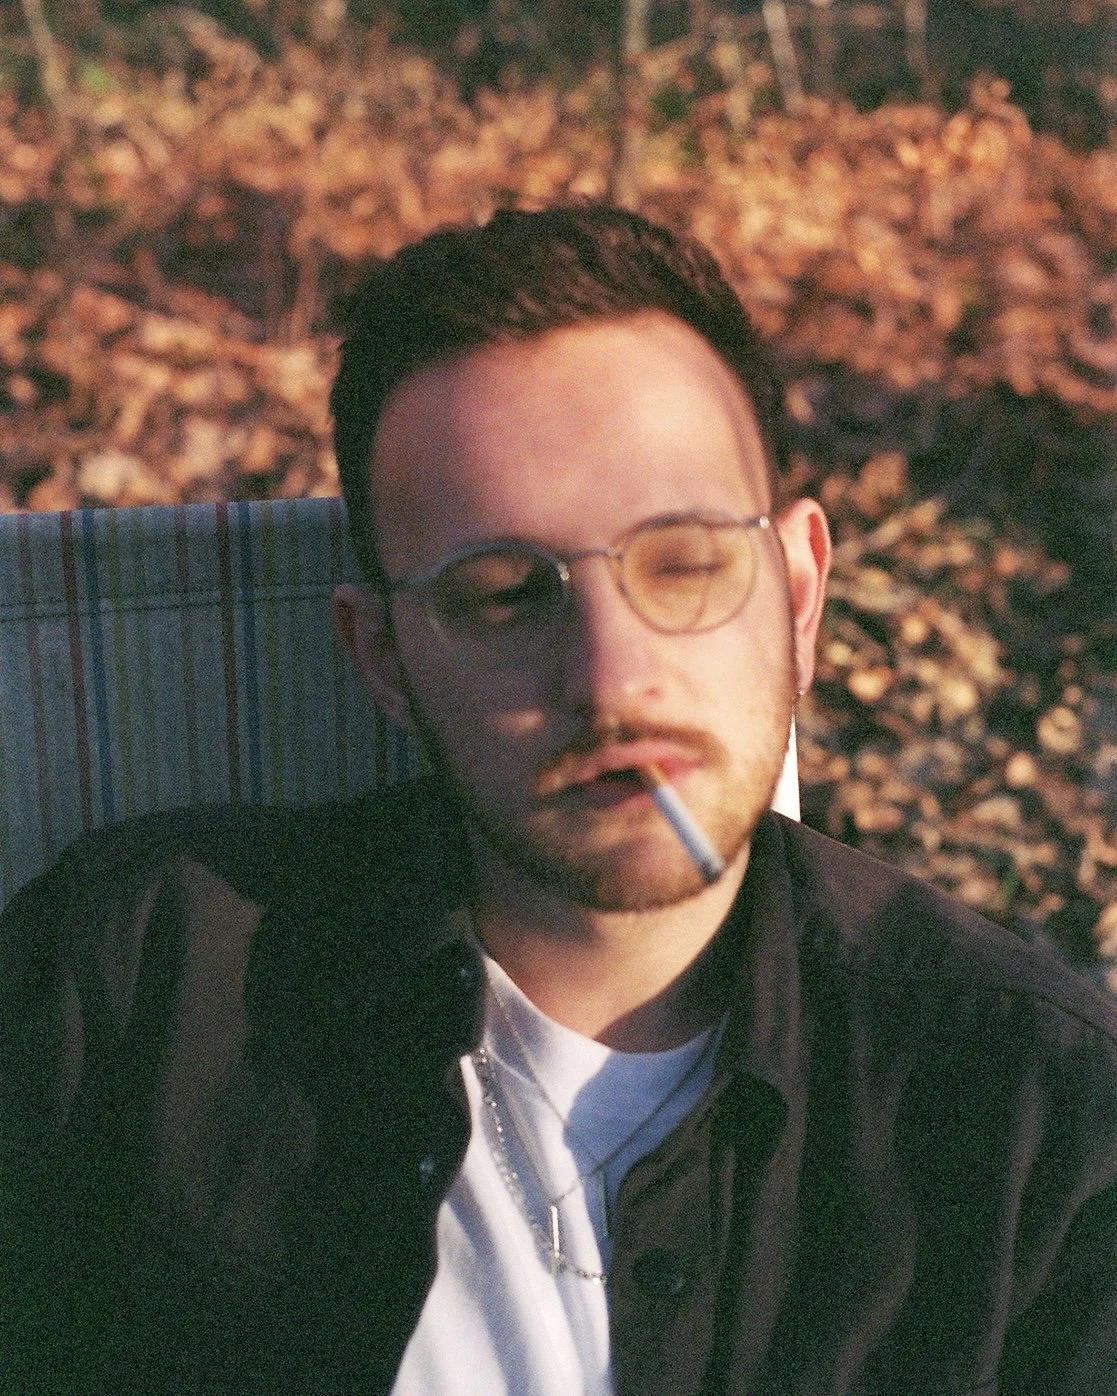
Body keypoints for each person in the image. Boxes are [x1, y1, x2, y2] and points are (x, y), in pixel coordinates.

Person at [2, 204, 1115, 1396]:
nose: (608, 678)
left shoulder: (1032, 1125)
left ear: (796, 594)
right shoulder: (142, 987)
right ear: (382, 656)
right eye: (498, 595)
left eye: (684, 562)